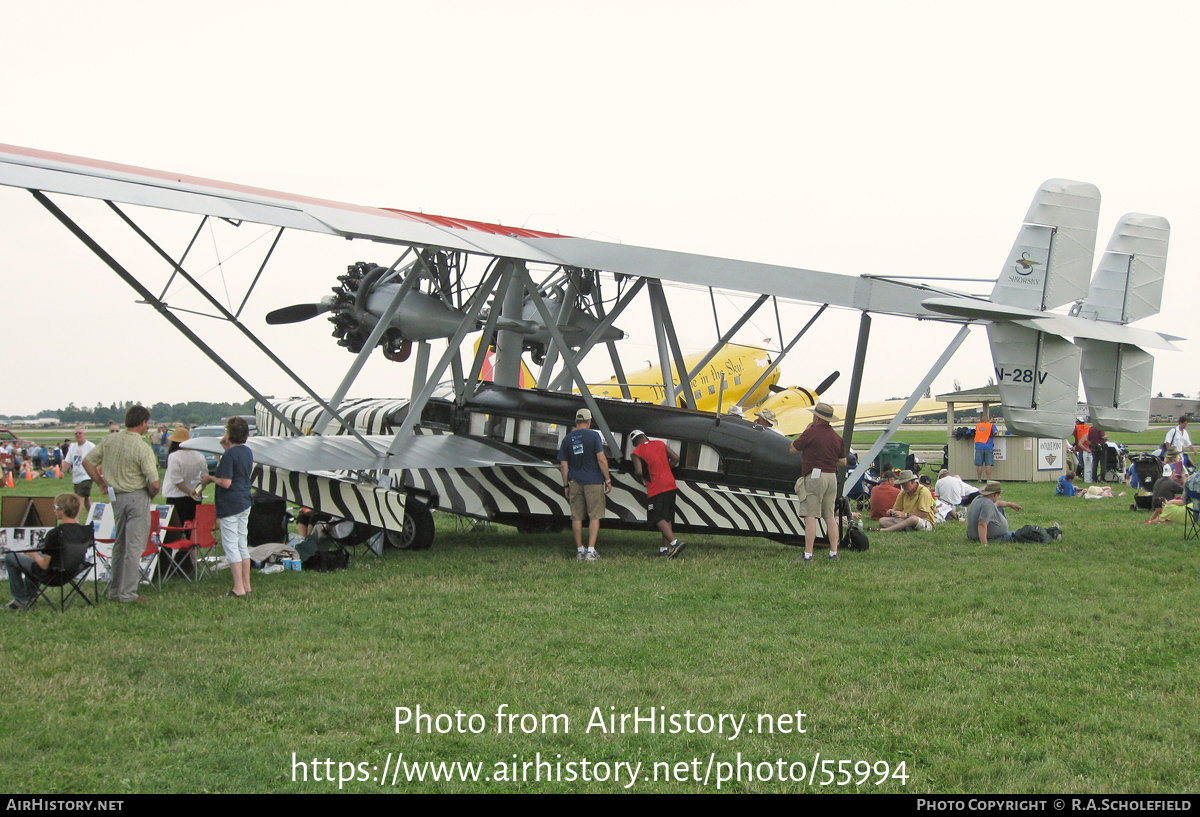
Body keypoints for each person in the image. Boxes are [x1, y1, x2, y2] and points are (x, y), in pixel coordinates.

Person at [82, 406, 160, 604]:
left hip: (116, 497)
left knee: (120, 545)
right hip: (137, 496)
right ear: (142, 423)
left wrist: (100, 482)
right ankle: (128, 593)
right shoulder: (142, 447)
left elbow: (87, 462)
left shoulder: (110, 440)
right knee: (134, 547)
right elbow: (154, 483)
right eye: (147, 423)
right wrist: (150, 496)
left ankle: (115, 590)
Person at [4, 493, 93, 611]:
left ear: (63, 510)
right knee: (36, 557)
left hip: (53, 575)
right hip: (72, 572)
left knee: (10, 557)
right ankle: (31, 596)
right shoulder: (84, 531)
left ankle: (21, 600)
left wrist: (33, 555)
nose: (54, 511)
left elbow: (44, 565)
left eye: (55, 508)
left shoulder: (55, 533)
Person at [200, 417, 255, 596]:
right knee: (242, 543)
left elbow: (225, 482)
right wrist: (227, 447)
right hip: (245, 499)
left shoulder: (229, 455)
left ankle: (238, 588)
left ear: (229, 433)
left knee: (231, 545)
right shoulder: (246, 452)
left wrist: (210, 478)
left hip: (231, 503)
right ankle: (246, 584)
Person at [788, 402, 846, 560]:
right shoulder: (836, 437)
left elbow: (793, 449)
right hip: (831, 477)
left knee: (810, 516)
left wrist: (806, 432)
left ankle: (808, 554)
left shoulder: (811, 432)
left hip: (815, 476)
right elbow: (843, 461)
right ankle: (834, 552)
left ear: (817, 417)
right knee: (829, 516)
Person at [557, 408, 610, 561]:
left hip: (575, 482)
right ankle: (591, 551)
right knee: (594, 516)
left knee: (577, 517)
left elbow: (564, 466)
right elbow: (601, 459)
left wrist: (566, 485)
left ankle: (580, 550)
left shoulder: (567, 439)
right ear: (589, 422)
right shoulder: (594, 436)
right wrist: (608, 479)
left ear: (576, 422)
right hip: (593, 481)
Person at [630, 430, 685, 558]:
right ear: (644, 436)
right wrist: (666, 469)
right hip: (670, 484)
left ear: (634, 443)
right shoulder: (660, 443)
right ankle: (663, 549)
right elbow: (676, 457)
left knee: (656, 516)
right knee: (667, 517)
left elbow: (638, 471)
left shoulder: (636, 452)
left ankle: (675, 543)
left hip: (655, 487)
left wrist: (642, 479)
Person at [161, 426, 207, 559]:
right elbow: (204, 478)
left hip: (176, 498)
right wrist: (196, 492)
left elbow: (177, 481)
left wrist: (189, 492)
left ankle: (176, 559)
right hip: (193, 499)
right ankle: (192, 559)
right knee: (191, 531)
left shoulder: (174, 456)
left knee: (175, 531)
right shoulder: (200, 456)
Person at [64, 427, 96, 516]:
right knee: (86, 499)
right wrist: (62, 471)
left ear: (84, 435)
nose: (78, 435)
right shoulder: (73, 447)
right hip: (77, 477)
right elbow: (68, 461)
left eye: (80, 433)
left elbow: (97, 458)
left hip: (87, 476)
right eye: (76, 433)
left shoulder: (90, 446)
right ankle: (94, 516)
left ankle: (75, 520)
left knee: (80, 498)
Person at [974, 411, 998, 482]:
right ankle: (988, 479)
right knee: (988, 464)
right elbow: (996, 432)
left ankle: (979, 479)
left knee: (979, 464)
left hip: (979, 446)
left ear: (982, 420)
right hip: (988, 446)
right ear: (988, 419)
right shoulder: (991, 425)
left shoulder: (978, 425)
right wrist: (993, 435)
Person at [1072, 417, 1092, 482]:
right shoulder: (1088, 427)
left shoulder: (1076, 427)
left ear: (1078, 422)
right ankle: (1088, 477)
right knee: (1089, 463)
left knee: (1082, 463)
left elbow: (1073, 434)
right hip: (1088, 447)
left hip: (1080, 447)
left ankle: (1083, 476)